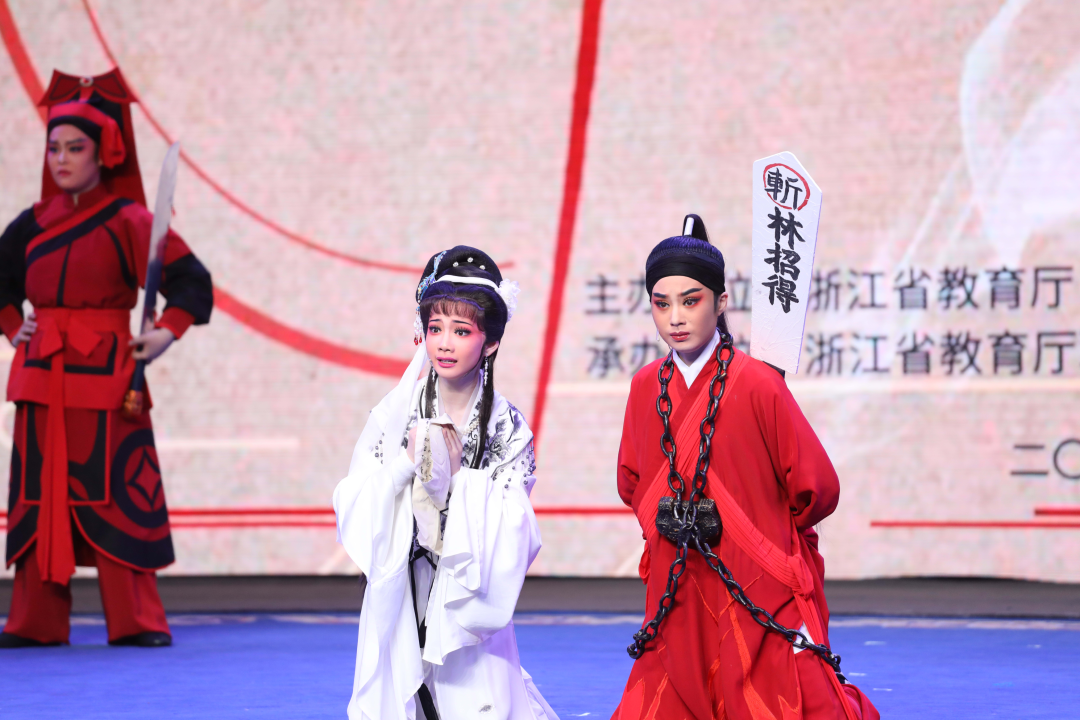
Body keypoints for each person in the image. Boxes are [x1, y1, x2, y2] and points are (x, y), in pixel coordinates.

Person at [610, 216, 878, 719]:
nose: (675, 318)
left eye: (690, 301)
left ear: (721, 302)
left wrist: (766, 531)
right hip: (677, 571)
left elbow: (816, 485)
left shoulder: (758, 382)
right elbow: (631, 477)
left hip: (753, 571)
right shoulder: (645, 385)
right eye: (661, 304)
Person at [0, 69, 213, 648]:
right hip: (41, 378)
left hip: (111, 380)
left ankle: (136, 619)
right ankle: (34, 620)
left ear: (103, 154)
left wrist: (166, 332)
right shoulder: (31, 224)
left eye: (76, 148)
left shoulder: (132, 221)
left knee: (119, 491)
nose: (62, 159)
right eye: (55, 148)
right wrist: (15, 327)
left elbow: (191, 282)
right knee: (39, 493)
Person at [334, 246, 557, 720]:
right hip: (405, 582)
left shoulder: (507, 426)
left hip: (467, 586)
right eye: (435, 329)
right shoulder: (395, 412)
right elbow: (355, 495)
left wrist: (457, 481)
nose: (445, 344)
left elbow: (515, 524)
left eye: (461, 331)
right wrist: (405, 465)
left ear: (490, 343)